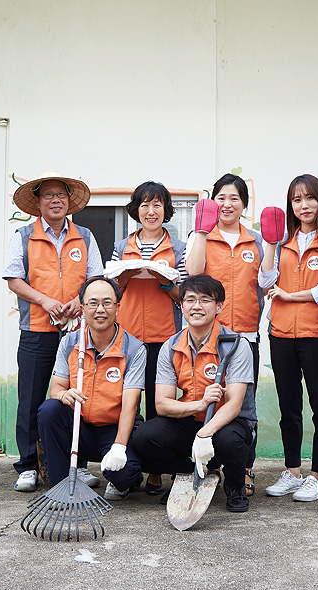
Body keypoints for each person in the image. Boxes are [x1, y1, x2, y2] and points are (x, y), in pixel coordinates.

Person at [3, 170, 104, 492]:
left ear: (69, 201)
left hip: (77, 331)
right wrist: (46, 301)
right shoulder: (23, 235)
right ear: (38, 202)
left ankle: (77, 465)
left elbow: (96, 278)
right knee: (31, 399)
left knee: (77, 397)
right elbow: (14, 278)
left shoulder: (85, 236)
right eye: (48, 195)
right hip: (35, 329)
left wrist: (78, 301)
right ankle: (28, 466)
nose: (55, 200)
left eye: (61, 195)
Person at [131, 274, 256, 513]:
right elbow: (162, 405)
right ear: (181, 305)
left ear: (219, 306)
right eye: (189, 300)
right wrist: (199, 405)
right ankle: (189, 473)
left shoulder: (236, 345)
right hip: (193, 417)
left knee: (228, 439)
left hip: (231, 423)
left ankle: (235, 485)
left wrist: (204, 435)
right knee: (144, 437)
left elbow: (235, 404)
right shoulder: (171, 346)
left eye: (205, 300)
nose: (196, 306)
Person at [185, 174, 263, 496]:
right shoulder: (200, 236)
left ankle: (244, 469)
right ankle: (210, 464)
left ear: (244, 204)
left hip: (245, 334)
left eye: (234, 198)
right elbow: (192, 274)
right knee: (208, 398)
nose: (227, 204)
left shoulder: (256, 240)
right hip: (209, 336)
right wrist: (202, 233)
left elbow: (266, 281)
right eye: (221, 198)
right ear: (212, 201)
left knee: (245, 406)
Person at [260, 175, 318, 502]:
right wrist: (271, 244)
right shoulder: (284, 242)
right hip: (281, 335)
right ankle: (292, 472)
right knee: (289, 407)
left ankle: (317, 475)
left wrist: (292, 296)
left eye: (309, 198)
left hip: (317, 334)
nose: (303, 206)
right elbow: (265, 280)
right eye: (296, 200)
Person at [109, 181, 187, 495]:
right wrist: (124, 279)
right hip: (126, 338)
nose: (150, 211)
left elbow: (185, 297)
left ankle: (155, 472)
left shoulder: (179, 248)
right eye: (144, 205)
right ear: (136, 210)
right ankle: (121, 470)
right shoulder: (120, 246)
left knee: (157, 409)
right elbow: (111, 292)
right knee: (123, 403)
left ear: (166, 210)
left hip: (163, 337)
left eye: (157, 205)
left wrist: (164, 281)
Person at [37, 277, 146, 501]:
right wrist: (64, 394)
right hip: (79, 425)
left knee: (123, 475)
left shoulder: (134, 348)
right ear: (83, 308)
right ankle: (62, 487)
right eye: (93, 303)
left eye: (107, 303)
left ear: (118, 306)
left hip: (114, 428)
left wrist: (119, 446)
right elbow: (55, 388)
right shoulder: (70, 343)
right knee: (50, 410)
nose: (100, 310)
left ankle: (126, 478)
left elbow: (130, 404)